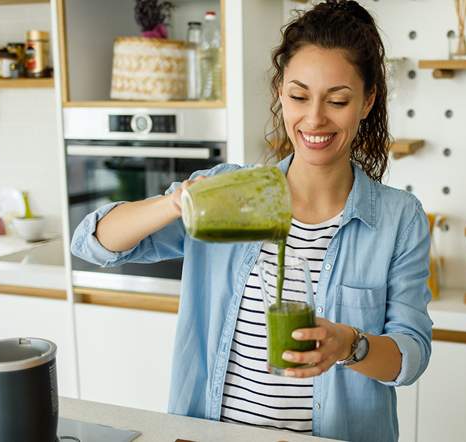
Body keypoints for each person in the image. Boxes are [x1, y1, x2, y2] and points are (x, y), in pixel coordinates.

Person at [70, 1, 432, 440]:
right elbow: (92, 242)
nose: (314, 118)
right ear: (280, 92)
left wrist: (350, 345)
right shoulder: (230, 192)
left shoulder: (398, 219)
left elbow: (410, 356)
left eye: (337, 100)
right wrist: (175, 203)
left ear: (367, 100)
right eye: (299, 96)